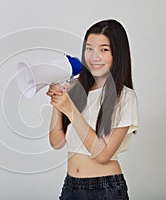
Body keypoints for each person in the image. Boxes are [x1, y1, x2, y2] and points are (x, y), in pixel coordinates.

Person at [46, 19, 138, 199]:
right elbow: (56, 143)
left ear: (117, 54)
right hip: (70, 186)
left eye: (104, 50)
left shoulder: (125, 97)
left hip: (105, 189)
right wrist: (58, 104)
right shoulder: (74, 88)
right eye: (89, 48)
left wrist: (71, 110)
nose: (94, 57)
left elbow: (102, 155)